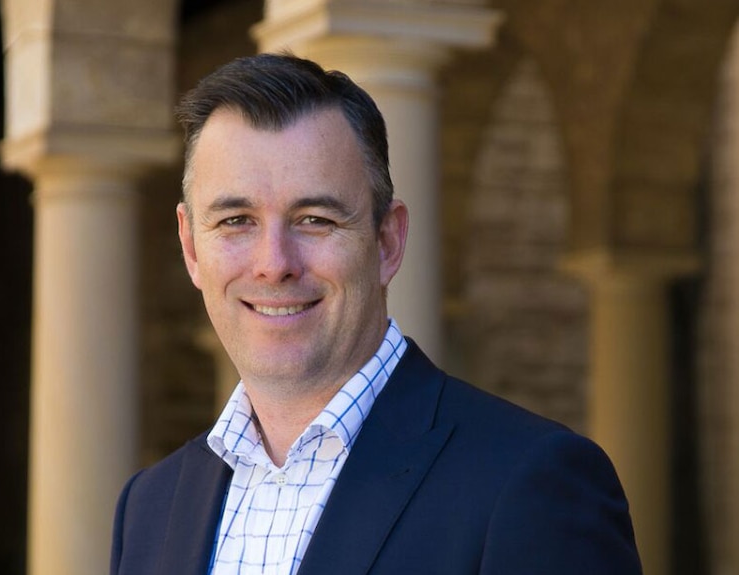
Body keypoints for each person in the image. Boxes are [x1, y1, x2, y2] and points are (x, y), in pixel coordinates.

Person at [109, 53, 642, 575]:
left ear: (388, 241)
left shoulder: (530, 483)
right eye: (235, 221)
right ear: (191, 246)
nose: (274, 264)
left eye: (315, 219)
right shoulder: (149, 508)